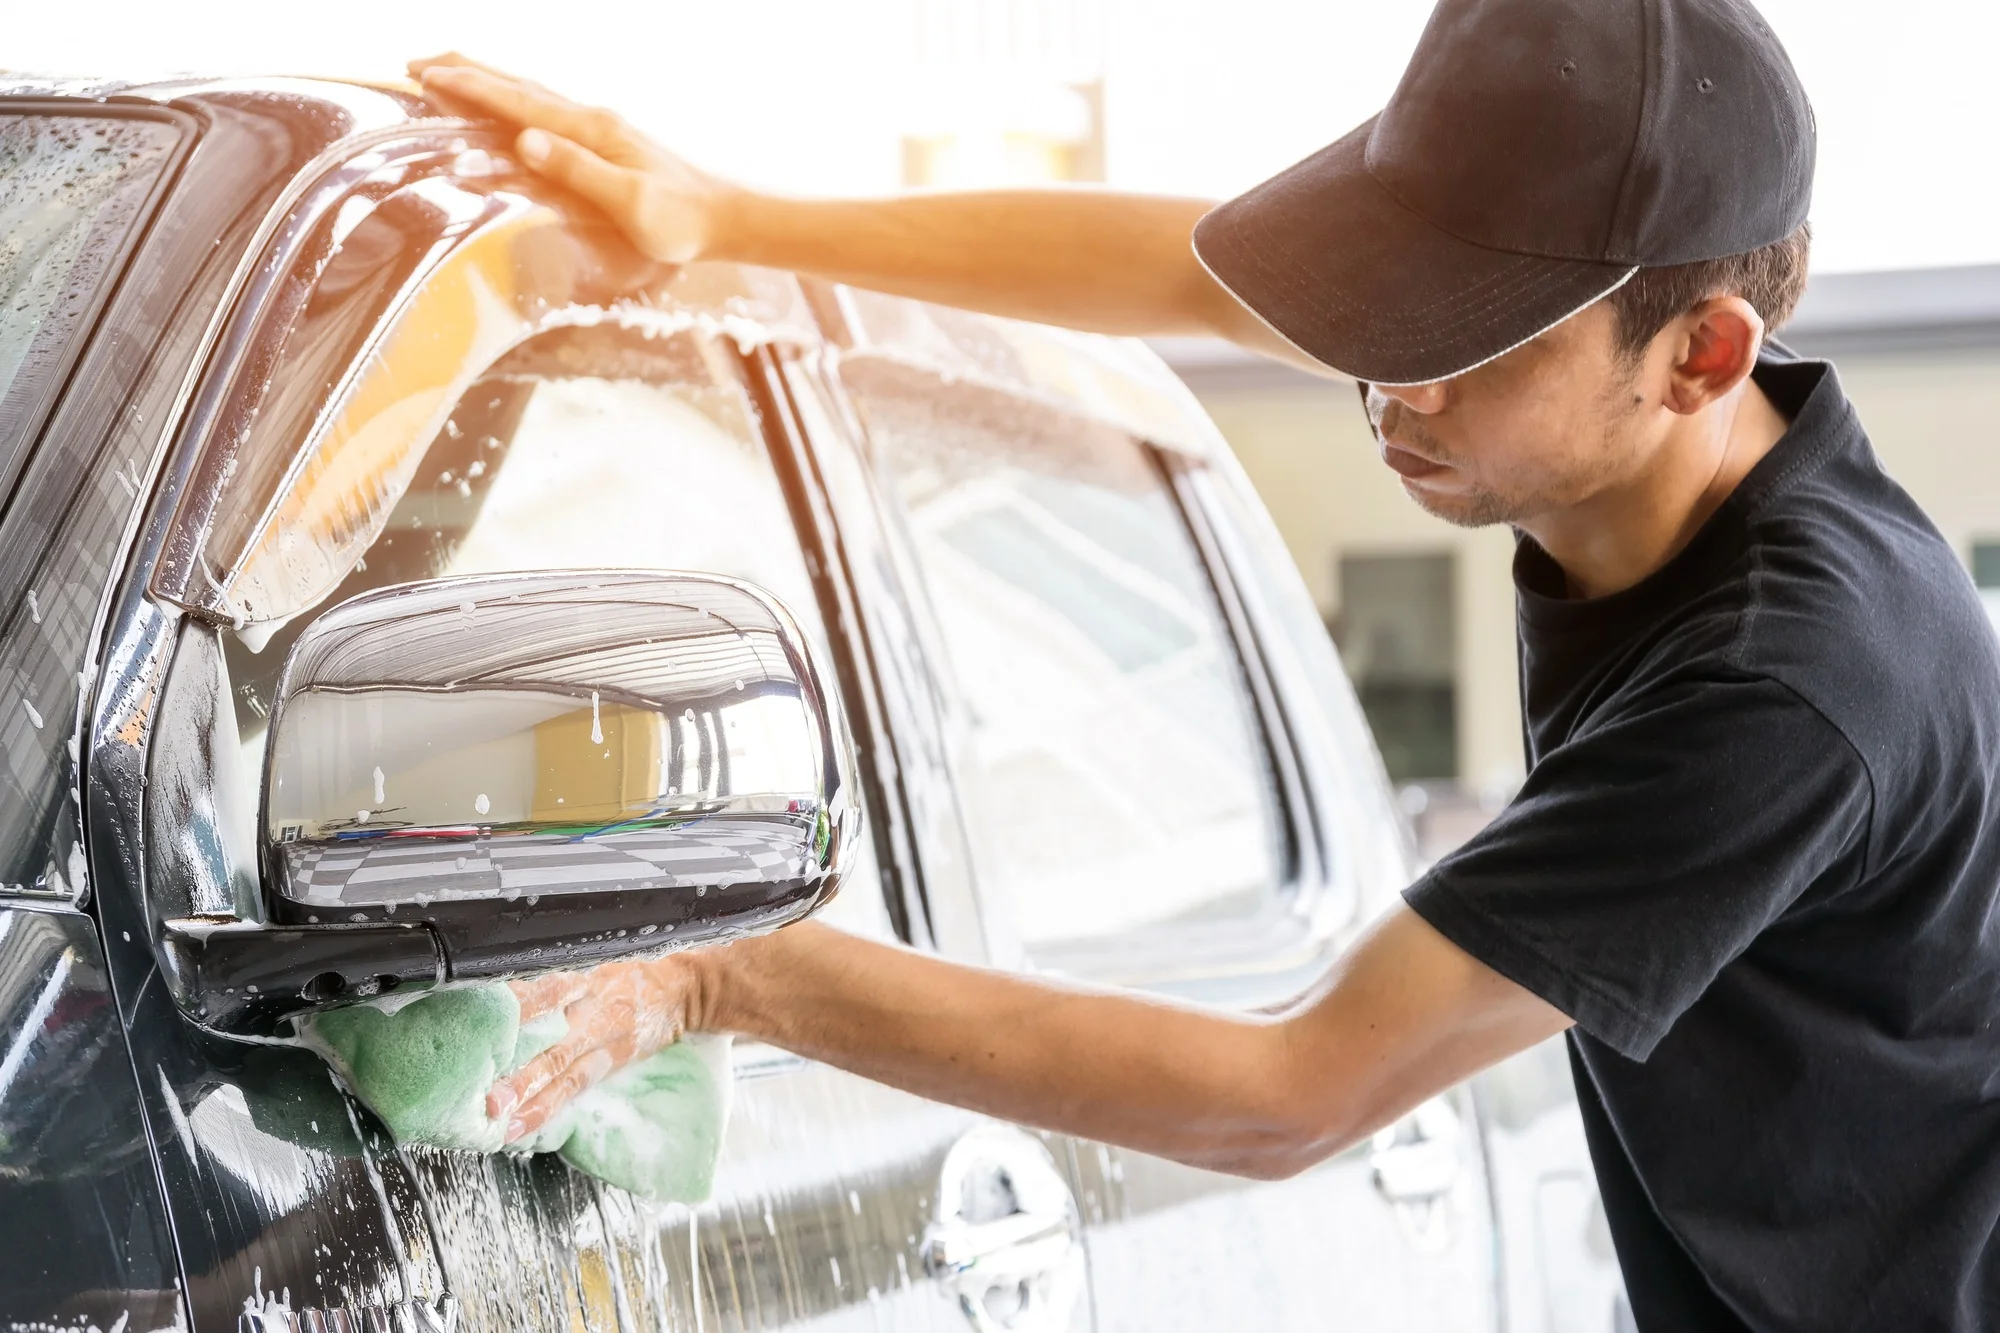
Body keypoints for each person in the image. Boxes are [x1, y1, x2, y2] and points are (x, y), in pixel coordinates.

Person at [412, 0, 2000, 1325]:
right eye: (1386, 310)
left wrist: (728, 969)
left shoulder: (1789, 688)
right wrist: (738, 222)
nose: (1389, 386)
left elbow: (1290, 1090)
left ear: (1702, 353)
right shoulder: (1587, 402)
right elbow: (1180, 271)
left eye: (1460, 337)